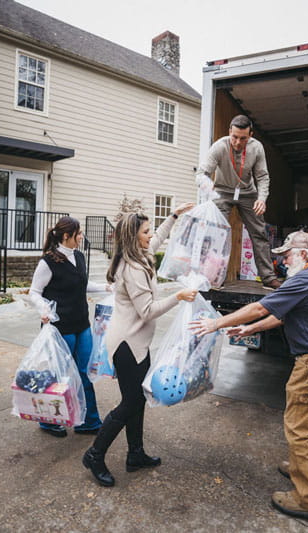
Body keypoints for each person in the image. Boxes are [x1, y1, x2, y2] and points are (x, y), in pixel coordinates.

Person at [190, 230, 308, 522]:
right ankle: (305, 468)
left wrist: (216, 323)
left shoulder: (304, 278)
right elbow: (281, 314)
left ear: (303, 255)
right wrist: (250, 329)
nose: (282, 262)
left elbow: (258, 307)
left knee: (299, 428)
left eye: (287, 255)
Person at [82, 204, 198, 487]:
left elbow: (157, 238)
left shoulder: (140, 255)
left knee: (138, 399)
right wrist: (178, 297)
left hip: (138, 343)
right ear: (134, 237)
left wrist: (173, 216)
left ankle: (135, 454)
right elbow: (147, 310)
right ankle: (95, 454)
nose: (150, 236)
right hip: (127, 344)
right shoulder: (133, 268)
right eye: (145, 232)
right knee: (130, 402)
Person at [30, 216, 109, 438]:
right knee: (59, 376)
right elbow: (34, 292)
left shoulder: (79, 256)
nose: (82, 236)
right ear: (67, 236)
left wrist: (105, 287)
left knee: (85, 373)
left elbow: (82, 284)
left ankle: (89, 421)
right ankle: (48, 421)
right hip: (59, 328)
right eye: (79, 233)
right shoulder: (48, 262)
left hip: (82, 325)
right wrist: (43, 310)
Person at [195, 114, 280, 290]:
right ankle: (215, 277)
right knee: (217, 232)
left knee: (259, 233)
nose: (237, 142)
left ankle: (268, 277)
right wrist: (208, 188)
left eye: (243, 138)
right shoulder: (219, 146)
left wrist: (262, 199)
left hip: (248, 193)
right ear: (229, 132)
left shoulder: (257, 148)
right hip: (222, 192)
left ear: (250, 135)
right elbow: (201, 174)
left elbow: (262, 176)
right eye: (234, 137)